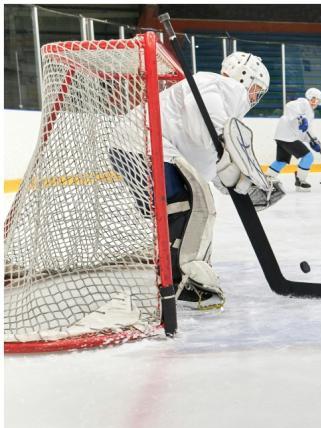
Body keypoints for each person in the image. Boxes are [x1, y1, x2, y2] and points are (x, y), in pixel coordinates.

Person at [111, 51, 281, 310]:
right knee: (188, 208)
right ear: (244, 77)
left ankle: (177, 271)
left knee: (189, 204)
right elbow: (207, 124)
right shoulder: (219, 86)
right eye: (256, 89)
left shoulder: (216, 99)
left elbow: (209, 164)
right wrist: (242, 168)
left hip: (137, 147)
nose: (254, 97)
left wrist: (242, 184)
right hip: (142, 147)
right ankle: (181, 281)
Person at [269, 87, 321, 191]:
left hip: (282, 136)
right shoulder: (303, 103)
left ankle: (267, 179)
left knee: (281, 160)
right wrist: (300, 118)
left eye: (317, 101)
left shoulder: (310, 113)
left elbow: (306, 131)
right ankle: (301, 181)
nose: (314, 102)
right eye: (313, 99)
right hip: (289, 136)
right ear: (308, 97)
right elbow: (289, 106)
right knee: (308, 157)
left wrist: (313, 140)